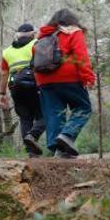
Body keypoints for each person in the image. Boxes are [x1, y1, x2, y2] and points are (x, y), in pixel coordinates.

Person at [33, 9, 96, 158]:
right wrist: (88, 77)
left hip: (44, 80)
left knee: (54, 113)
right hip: (68, 77)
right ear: (72, 20)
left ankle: (59, 150)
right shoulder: (74, 32)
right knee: (83, 107)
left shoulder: (42, 36)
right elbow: (81, 56)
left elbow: (34, 59)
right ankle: (67, 136)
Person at [0, 23, 46, 156]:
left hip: (15, 88)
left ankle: (31, 152)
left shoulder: (7, 52)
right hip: (34, 86)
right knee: (45, 115)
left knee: (25, 118)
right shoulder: (36, 44)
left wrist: (2, 93)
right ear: (32, 34)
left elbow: (4, 73)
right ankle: (33, 136)